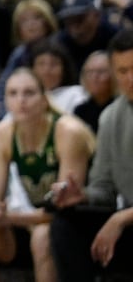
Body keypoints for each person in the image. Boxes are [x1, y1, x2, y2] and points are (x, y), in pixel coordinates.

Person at [0, 66, 94, 282]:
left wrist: (8, 217)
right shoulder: (3, 133)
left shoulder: (68, 132)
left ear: (43, 98)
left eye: (29, 93)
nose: (21, 100)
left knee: (42, 235)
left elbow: (63, 210)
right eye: (13, 93)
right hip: (34, 219)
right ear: (5, 100)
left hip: (78, 225)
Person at [49, 29, 133, 276]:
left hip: (127, 218)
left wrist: (121, 219)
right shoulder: (111, 117)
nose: (130, 78)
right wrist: (82, 196)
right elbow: (104, 187)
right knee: (65, 226)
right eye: (122, 71)